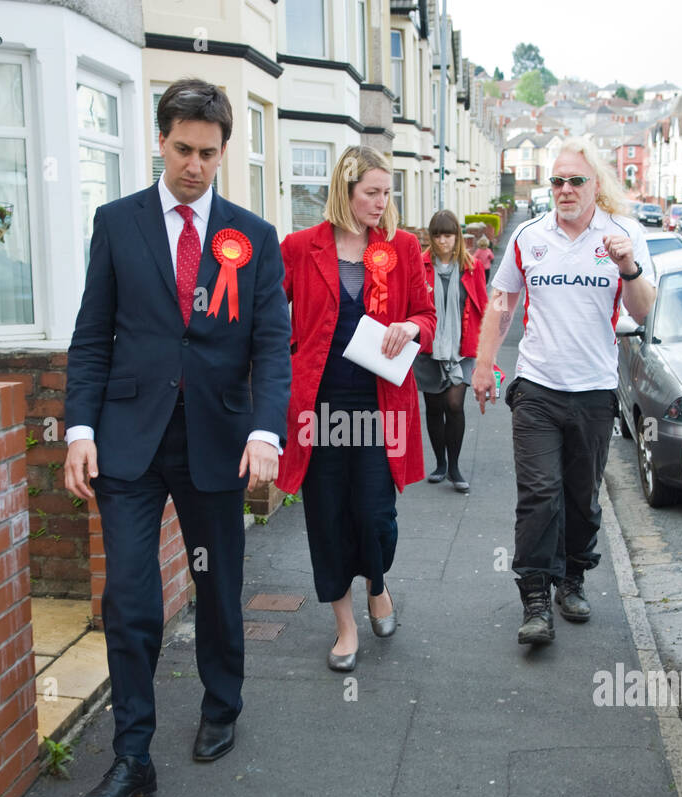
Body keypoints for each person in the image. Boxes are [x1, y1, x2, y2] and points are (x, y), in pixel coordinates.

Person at [63, 78, 291, 797]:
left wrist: (264, 430)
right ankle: (133, 755)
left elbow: (271, 344)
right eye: (183, 148)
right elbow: (92, 335)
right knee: (130, 597)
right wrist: (79, 429)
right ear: (160, 141)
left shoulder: (252, 237)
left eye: (209, 152)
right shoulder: (117, 223)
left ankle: (221, 703)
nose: (195, 164)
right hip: (129, 441)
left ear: (225, 152)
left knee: (218, 585)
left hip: (218, 441)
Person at [472, 138, 656, 646]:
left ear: (597, 185)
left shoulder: (623, 236)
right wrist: (484, 365)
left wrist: (628, 267)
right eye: (557, 181)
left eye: (576, 180)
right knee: (539, 496)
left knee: (580, 498)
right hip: (537, 388)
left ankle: (571, 579)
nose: (566, 189)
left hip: (595, 391)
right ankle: (534, 597)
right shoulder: (530, 237)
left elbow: (644, 312)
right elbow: (502, 303)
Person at [277, 145, 436, 672]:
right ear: (345, 192)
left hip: (379, 406)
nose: (381, 201)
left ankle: (378, 583)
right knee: (327, 519)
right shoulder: (300, 247)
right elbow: (268, 319)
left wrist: (412, 326)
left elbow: (426, 315)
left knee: (375, 517)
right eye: (371, 192)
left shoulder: (403, 247)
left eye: (386, 192)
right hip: (317, 411)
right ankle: (345, 626)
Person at [415, 210, 488, 493]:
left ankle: (455, 466)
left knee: (454, 405)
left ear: (457, 236)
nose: (442, 241)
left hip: (461, 348)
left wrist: (487, 354)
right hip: (428, 348)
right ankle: (440, 463)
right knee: (433, 407)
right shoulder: (419, 266)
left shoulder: (472, 267)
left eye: (448, 235)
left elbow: (482, 307)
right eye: (437, 235)